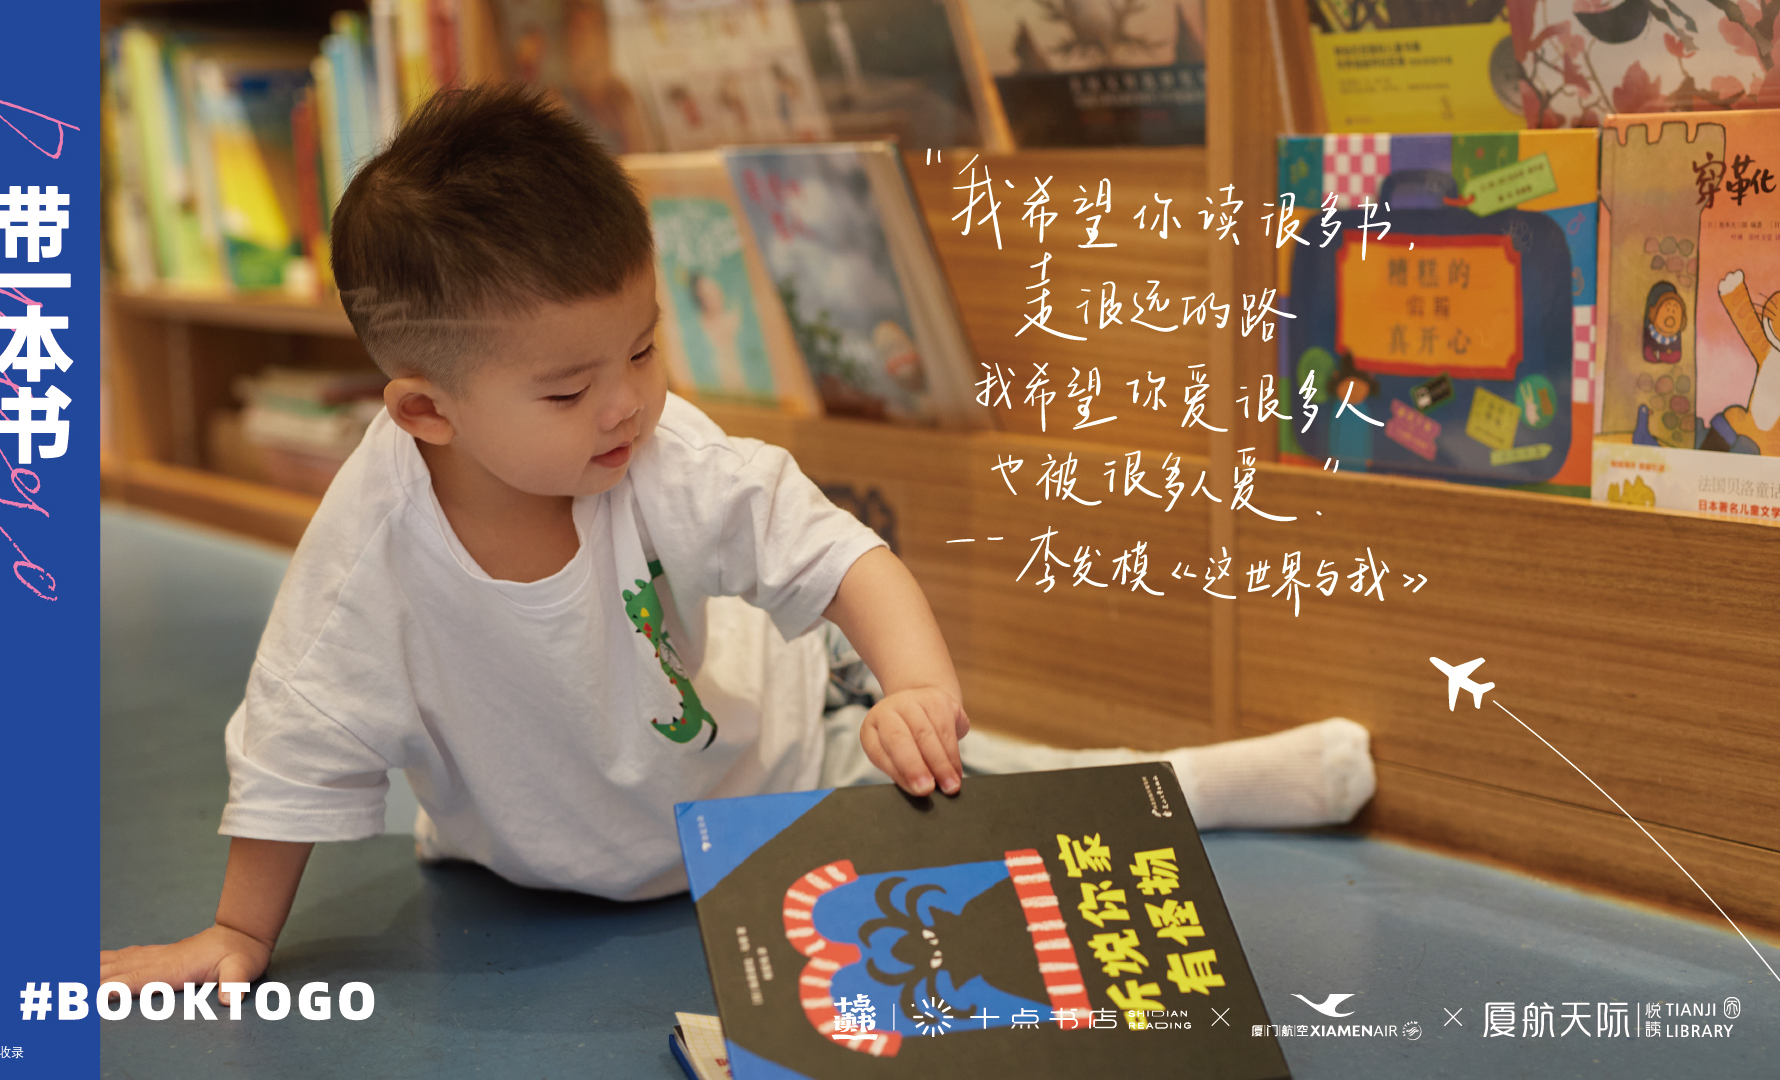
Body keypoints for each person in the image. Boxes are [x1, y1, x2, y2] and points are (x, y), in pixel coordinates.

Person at [99, 84, 1374, 1002]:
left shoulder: (670, 455)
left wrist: (917, 686)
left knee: (987, 803)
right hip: (526, 861)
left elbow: (845, 557)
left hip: (780, 765)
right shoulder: (366, 554)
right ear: (427, 413)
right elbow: (299, 731)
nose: (627, 402)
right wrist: (238, 936)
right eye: (569, 388)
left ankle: (1197, 785)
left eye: (646, 346)